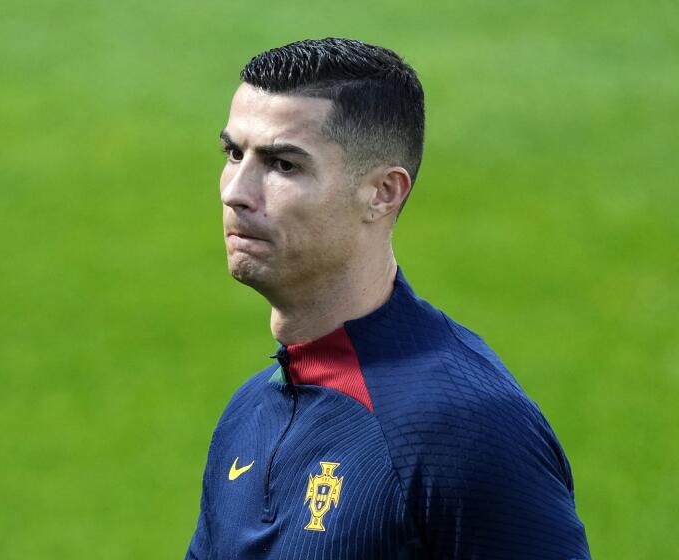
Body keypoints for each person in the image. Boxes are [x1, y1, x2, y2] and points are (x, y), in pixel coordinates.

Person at [186, 38, 590, 559]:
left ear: (382, 193)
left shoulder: (464, 430)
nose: (236, 191)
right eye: (234, 153)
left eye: (283, 164)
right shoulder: (249, 413)